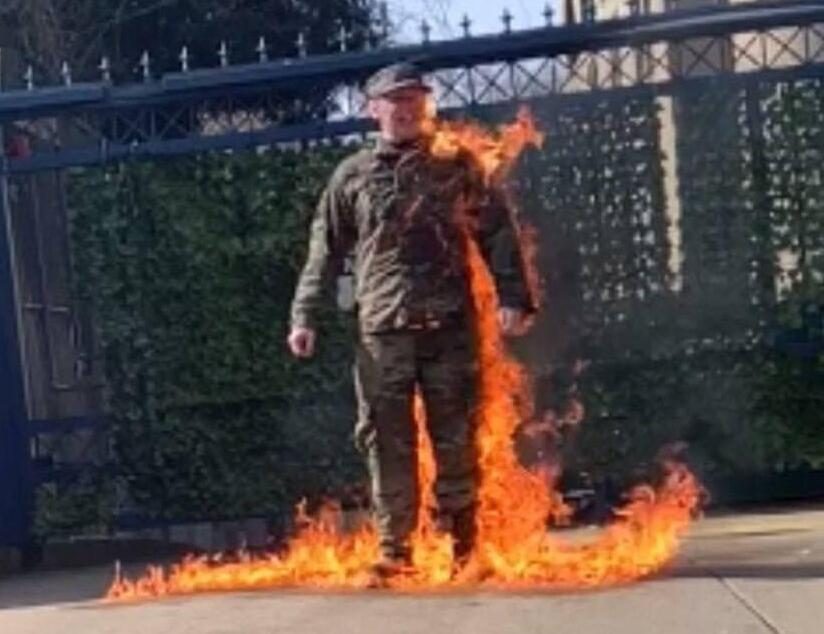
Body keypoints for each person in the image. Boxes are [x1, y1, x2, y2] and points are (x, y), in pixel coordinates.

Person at [287, 62, 536, 581]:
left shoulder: (456, 165)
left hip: (450, 327)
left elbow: (497, 232)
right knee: (386, 439)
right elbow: (324, 250)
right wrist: (304, 316)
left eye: (414, 99)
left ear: (427, 105)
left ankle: (465, 548)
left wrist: (514, 297)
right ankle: (395, 551)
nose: (405, 109)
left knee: (457, 436)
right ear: (372, 109)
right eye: (395, 100)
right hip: (383, 332)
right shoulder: (352, 176)